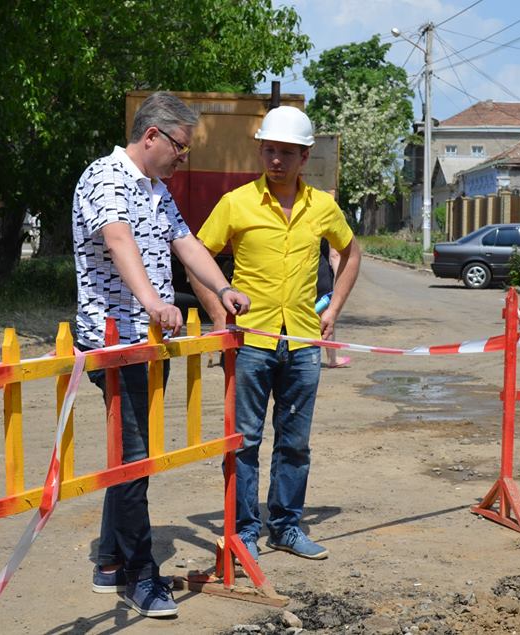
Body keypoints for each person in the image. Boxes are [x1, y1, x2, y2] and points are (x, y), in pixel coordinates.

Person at [72, 92, 250, 618]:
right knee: (133, 459)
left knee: (134, 455)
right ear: (151, 137)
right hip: (114, 343)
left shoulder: (156, 189)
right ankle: (137, 575)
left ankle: (108, 562)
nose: (183, 156)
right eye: (179, 146)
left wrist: (221, 289)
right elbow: (118, 237)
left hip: (150, 343)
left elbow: (187, 243)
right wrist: (152, 299)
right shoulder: (104, 177)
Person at [189, 106, 361, 563]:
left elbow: (351, 251)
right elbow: (197, 258)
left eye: (287, 152)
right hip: (250, 343)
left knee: (294, 443)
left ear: (305, 156)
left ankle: (286, 526)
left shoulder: (322, 207)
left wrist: (336, 308)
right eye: (270, 151)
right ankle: (244, 532)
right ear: (260, 151)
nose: (277, 160)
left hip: (303, 342)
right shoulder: (237, 203)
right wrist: (217, 313)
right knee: (244, 441)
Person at [317, 239, 350, 368]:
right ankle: (332, 359)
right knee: (327, 314)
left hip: (298, 274)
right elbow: (335, 255)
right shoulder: (325, 219)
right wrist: (339, 282)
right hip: (320, 272)